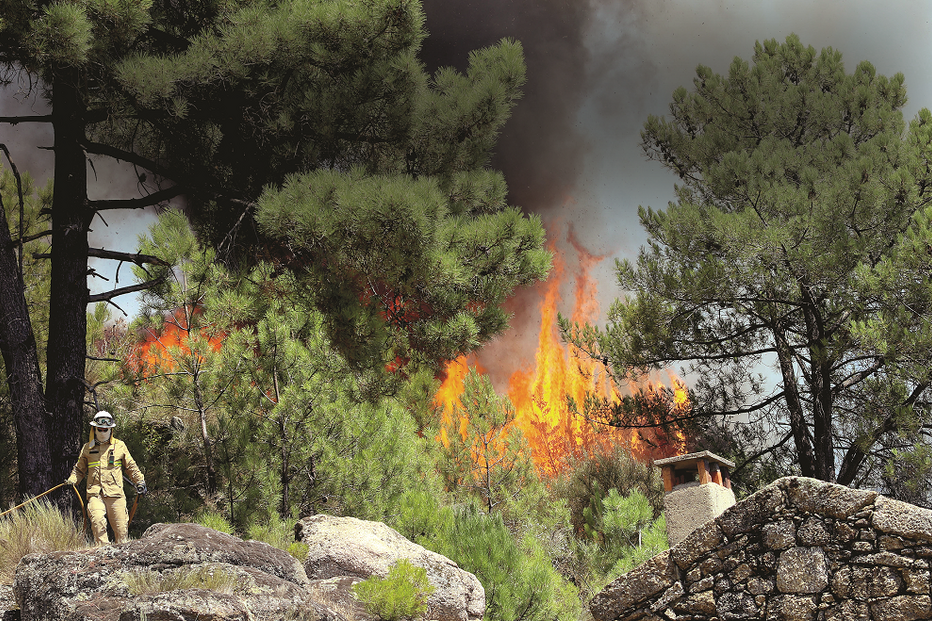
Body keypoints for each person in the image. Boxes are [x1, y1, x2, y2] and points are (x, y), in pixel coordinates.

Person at [65, 411, 147, 544]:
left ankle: (121, 560)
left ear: (111, 429)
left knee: (121, 531)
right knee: (97, 522)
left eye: (106, 429)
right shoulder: (87, 448)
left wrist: (140, 482)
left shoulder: (119, 446)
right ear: (94, 429)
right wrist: (72, 480)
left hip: (115, 494)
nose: (103, 432)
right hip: (95, 493)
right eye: (100, 429)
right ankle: (102, 556)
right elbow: (79, 470)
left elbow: (131, 467)